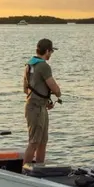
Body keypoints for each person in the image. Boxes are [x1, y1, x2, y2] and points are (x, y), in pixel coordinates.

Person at [22, 38, 61, 167]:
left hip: (36, 106)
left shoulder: (29, 65)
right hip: (36, 109)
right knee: (34, 142)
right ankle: (25, 172)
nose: (51, 55)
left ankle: (39, 169)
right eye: (51, 52)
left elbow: (25, 89)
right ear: (47, 51)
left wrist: (45, 101)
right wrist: (58, 94)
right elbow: (54, 87)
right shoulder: (44, 65)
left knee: (42, 141)